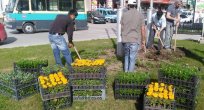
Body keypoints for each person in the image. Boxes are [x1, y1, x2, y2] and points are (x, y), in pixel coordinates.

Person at [121, 0, 146, 72]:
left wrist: (122, 36)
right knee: (132, 58)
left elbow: (122, 28)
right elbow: (143, 29)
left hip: (126, 39)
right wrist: (143, 40)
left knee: (126, 56)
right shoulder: (140, 15)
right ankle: (130, 76)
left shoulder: (124, 14)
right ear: (135, 6)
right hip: (135, 39)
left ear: (128, 5)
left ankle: (126, 73)